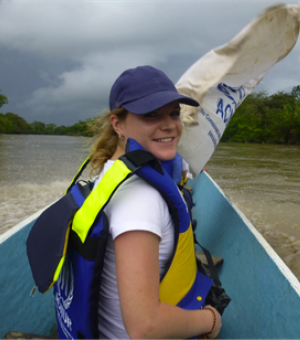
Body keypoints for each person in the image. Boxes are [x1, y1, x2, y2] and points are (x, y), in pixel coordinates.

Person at [89, 65, 222, 340]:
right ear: (118, 124)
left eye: (174, 113)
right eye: (151, 114)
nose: (169, 125)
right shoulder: (142, 200)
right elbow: (144, 326)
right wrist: (209, 320)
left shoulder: (109, 172)